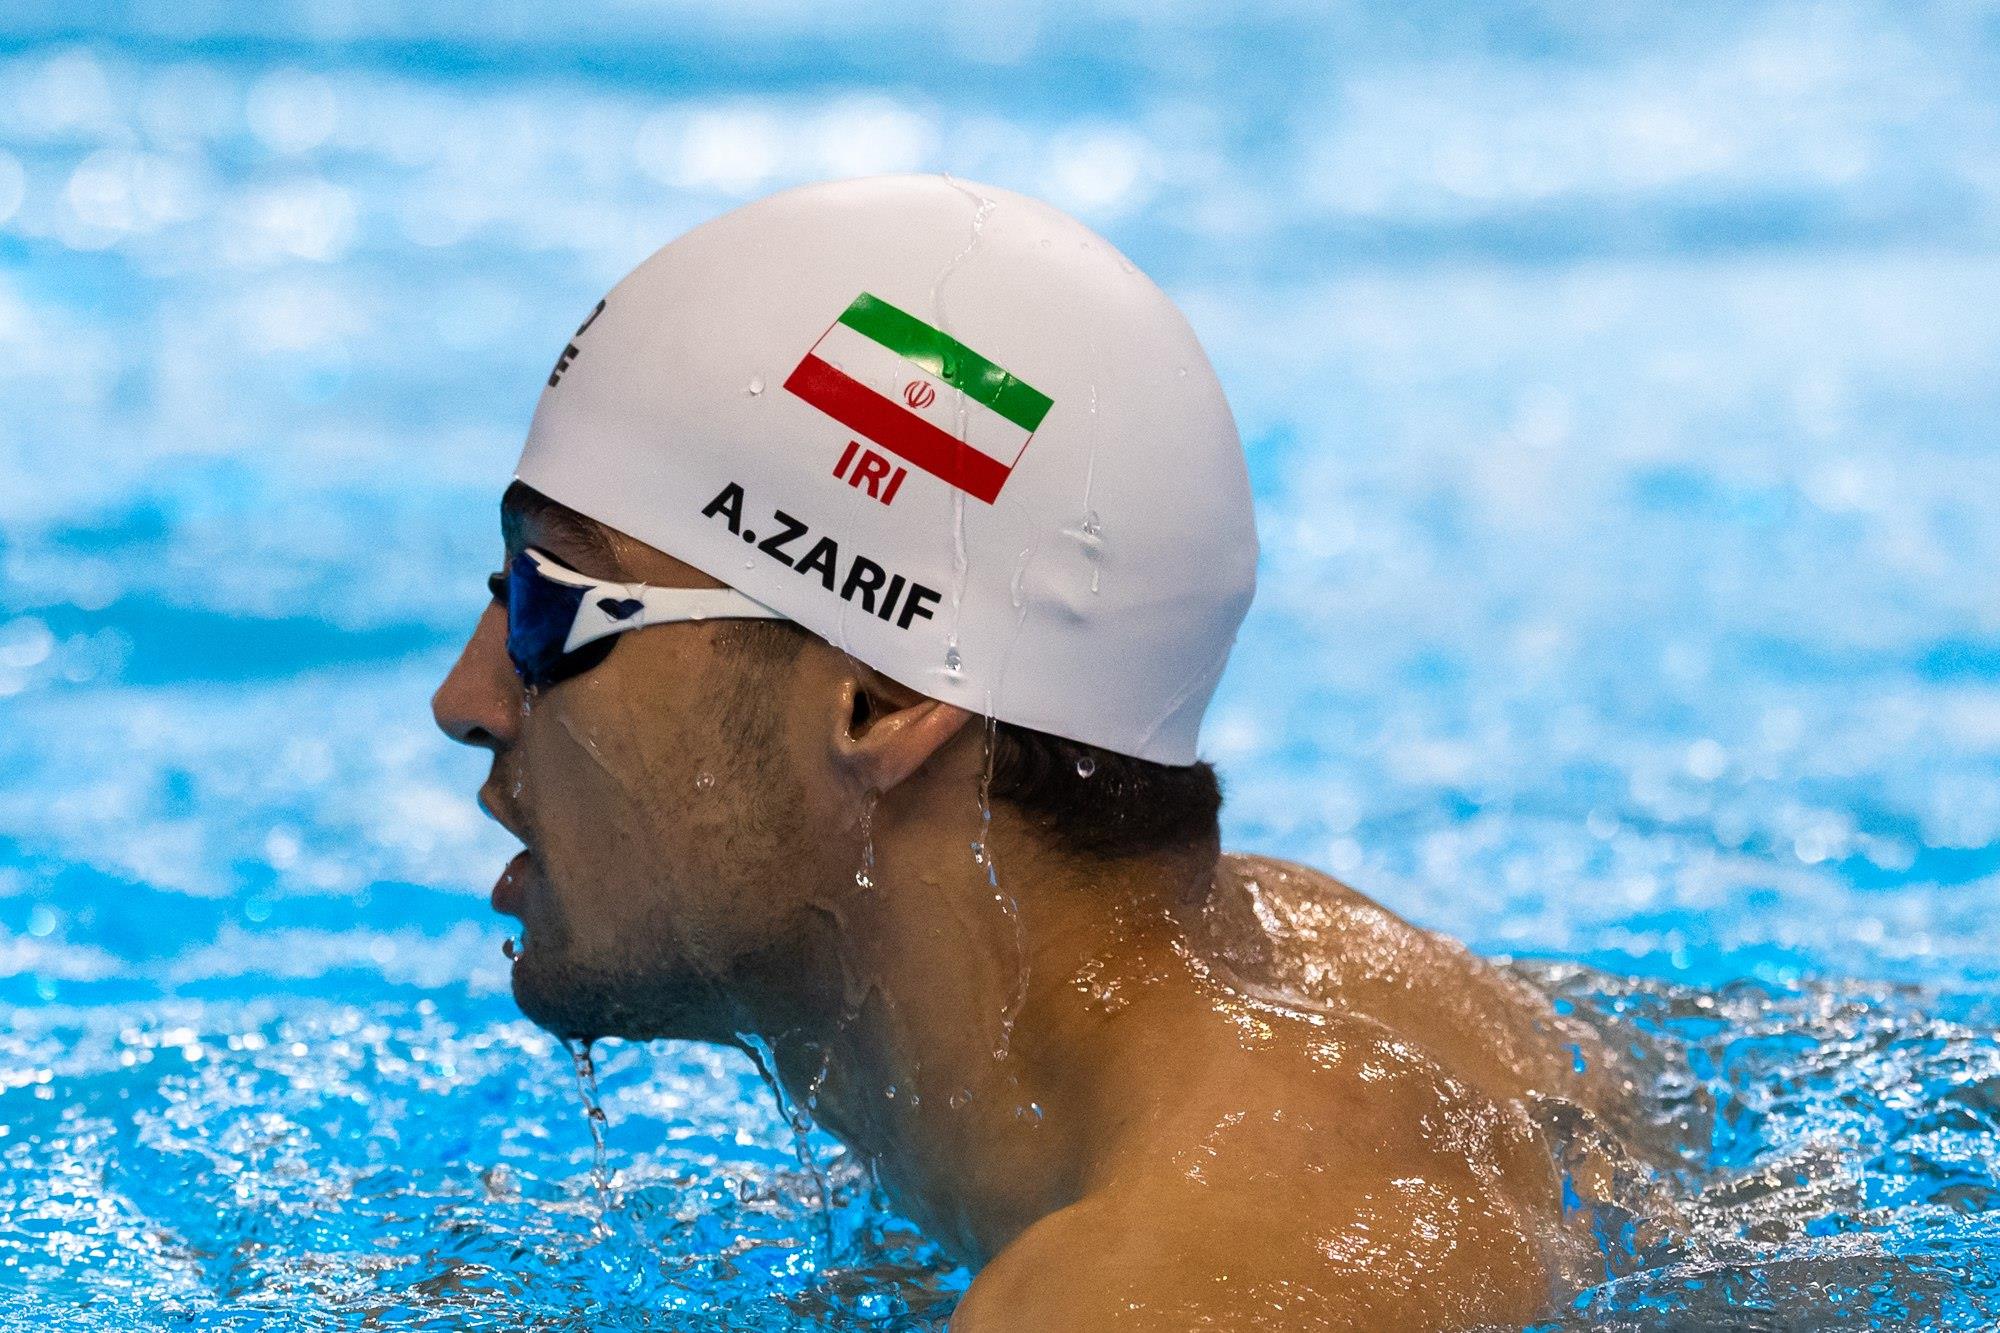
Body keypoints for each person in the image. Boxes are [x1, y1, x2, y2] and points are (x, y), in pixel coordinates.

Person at [431, 175, 1627, 1329]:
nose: (467, 698)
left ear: (881, 702)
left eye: (551, 603)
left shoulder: (1166, 1289)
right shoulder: (1306, 980)